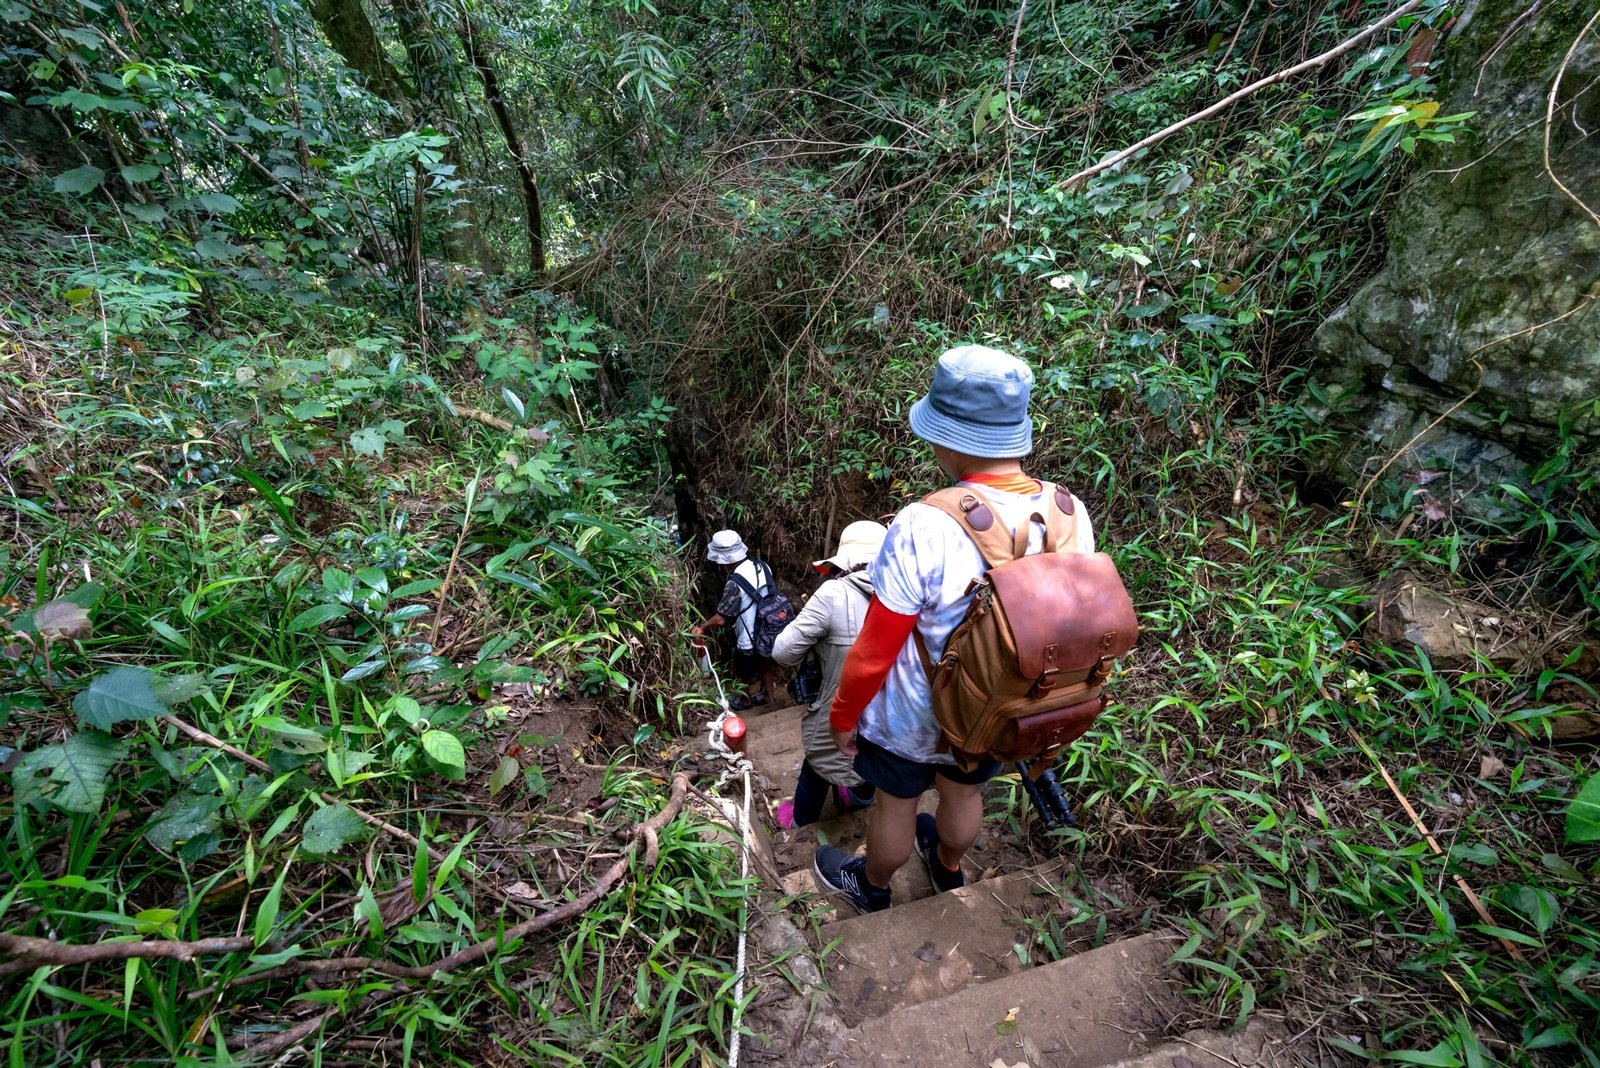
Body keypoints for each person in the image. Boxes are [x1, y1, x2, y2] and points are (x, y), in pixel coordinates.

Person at [812, 345, 1096, 913]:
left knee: (896, 804)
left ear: (951, 438)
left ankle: (870, 887)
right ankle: (945, 866)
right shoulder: (1069, 512)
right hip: (1001, 705)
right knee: (965, 793)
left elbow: (876, 647)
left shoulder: (924, 522)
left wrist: (843, 717)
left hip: (915, 713)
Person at [770, 521, 888, 828]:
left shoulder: (832, 594)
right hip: (891, 717)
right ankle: (859, 802)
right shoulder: (908, 592)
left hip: (841, 712)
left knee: (818, 763)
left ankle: (801, 823)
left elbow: (782, 653)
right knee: (872, 761)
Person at [692, 529, 778, 710]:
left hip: (748, 636)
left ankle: (745, 700)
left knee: (742, 670)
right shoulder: (763, 566)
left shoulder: (734, 582)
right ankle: (770, 698)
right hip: (769, 632)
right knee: (765, 664)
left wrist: (703, 628)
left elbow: (721, 619)